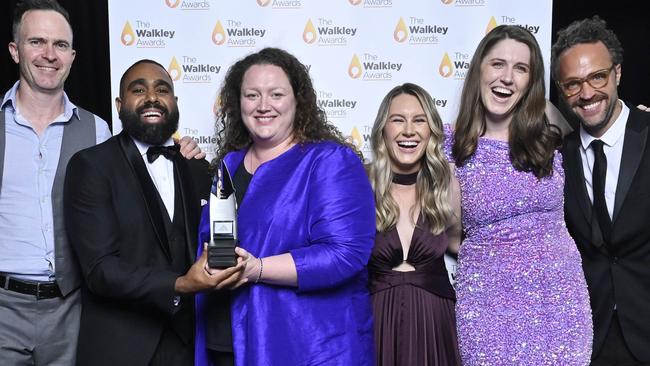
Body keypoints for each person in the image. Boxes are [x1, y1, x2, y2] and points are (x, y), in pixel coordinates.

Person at [0, 2, 202, 365]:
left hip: (71, 306)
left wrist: (182, 151)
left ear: (73, 56)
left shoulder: (97, 131)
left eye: (60, 45)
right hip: (3, 304)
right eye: (37, 42)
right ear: (15, 50)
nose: (49, 54)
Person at [197, 47, 376, 366]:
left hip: (303, 345)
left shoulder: (330, 161)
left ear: (298, 101)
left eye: (276, 94)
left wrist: (258, 268)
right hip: (225, 340)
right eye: (252, 95)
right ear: (239, 103)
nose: (263, 106)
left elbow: (346, 253)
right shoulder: (228, 164)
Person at [63, 59, 242, 366]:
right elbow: (99, 270)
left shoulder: (198, 168)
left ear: (174, 102)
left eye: (162, 89)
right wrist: (179, 285)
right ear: (120, 105)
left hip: (190, 346)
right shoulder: (91, 166)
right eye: (138, 89)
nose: (151, 97)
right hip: (122, 348)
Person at [446, 25, 593, 364]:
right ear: (479, 69)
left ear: (531, 81)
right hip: (488, 305)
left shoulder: (550, 126)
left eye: (521, 68)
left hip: (561, 301)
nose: (507, 78)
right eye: (497, 64)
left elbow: (602, 142)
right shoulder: (452, 145)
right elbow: (450, 237)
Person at [552, 16, 650, 365]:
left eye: (597, 77)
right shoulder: (558, 158)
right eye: (572, 84)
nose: (587, 93)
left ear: (618, 73)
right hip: (592, 338)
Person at [366, 83, 462, 365]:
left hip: (435, 320)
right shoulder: (360, 184)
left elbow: (462, 246)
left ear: (431, 131)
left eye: (419, 120)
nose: (409, 130)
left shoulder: (448, 185)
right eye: (398, 120)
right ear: (383, 129)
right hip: (376, 319)